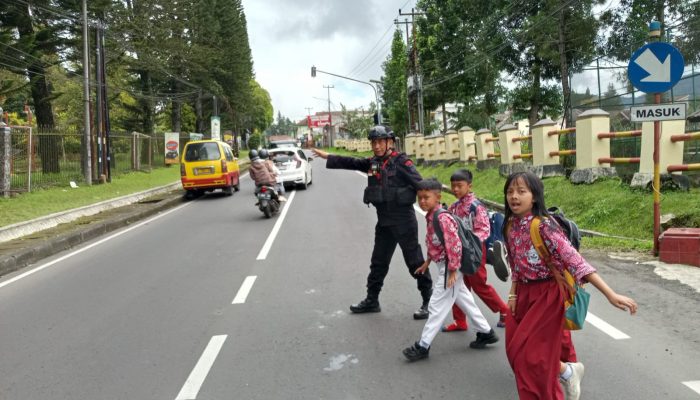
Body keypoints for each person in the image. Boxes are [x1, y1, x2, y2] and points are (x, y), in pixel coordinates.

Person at [501, 171, 637, 400]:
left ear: (534, 197)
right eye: (510, 192)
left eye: (521, 191)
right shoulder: (510, 226)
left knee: (533, 359)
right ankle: (567, 371)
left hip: (547, 295)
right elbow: (515, 265)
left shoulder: (544, 226)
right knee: (516, 352)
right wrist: (513, 295)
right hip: (523, 294)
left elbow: (575, 261)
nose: (514, 196)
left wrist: (610, 294)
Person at [311, 126, 433, 319]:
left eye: (380, 142)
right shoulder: (373, 163)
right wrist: (327, 156)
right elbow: (351, 162)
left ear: (390, 142)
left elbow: (422, 185)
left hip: (403, 221)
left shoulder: (402, 163)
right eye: (373, 142)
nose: (376, 146)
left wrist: (437, 210)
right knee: (378, 262)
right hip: (384, 222)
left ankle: (429, 301)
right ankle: (372, 300)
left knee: (414, 262)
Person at [402, 179, 499, 361]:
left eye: (426, 197)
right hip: (445, 265)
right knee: (465, 300)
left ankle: (423, 345)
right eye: (420, 197)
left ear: (437, 197)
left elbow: (454, 246)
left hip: (451, 267)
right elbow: (435, 242)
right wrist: (428, 262)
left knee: (436, 305)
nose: (422, 201)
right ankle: (486, 332)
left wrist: (453, 271)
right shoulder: (432, 216)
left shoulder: (442, 217)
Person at [441, 169, 510, 332]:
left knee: (479, 285)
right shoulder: (454, 206)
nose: (455, 189)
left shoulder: (476, 206)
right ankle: (460, 321)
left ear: (469, 186)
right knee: (457, 286)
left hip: (475, 251)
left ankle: (505, 311)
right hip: (460, 252)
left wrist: (468, 241)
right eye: (453, 186)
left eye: (459, 186)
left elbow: (484, 230)